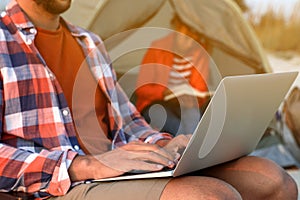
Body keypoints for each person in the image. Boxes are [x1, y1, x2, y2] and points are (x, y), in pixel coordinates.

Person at [0, 0, 297, 200]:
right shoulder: (3, 40)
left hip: (115, 171)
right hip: (56, 186)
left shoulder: (88, 42)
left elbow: (130, 124)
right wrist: (84, 165)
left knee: (273, 178)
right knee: (209, 195)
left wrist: (166, 144)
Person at [135, 15, 211, 136]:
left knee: (194, 124)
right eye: (186, 37)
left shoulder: (199, 53)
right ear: (176, 29)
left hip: (184, 105)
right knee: (177, 127)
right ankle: (184, 150)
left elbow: (200, 89)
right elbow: (142, 88)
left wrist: (193, 99)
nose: (190, 43)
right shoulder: (157, 47)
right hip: (155, 103)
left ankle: (192, 152)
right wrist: (164, 92)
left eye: (194, 39)